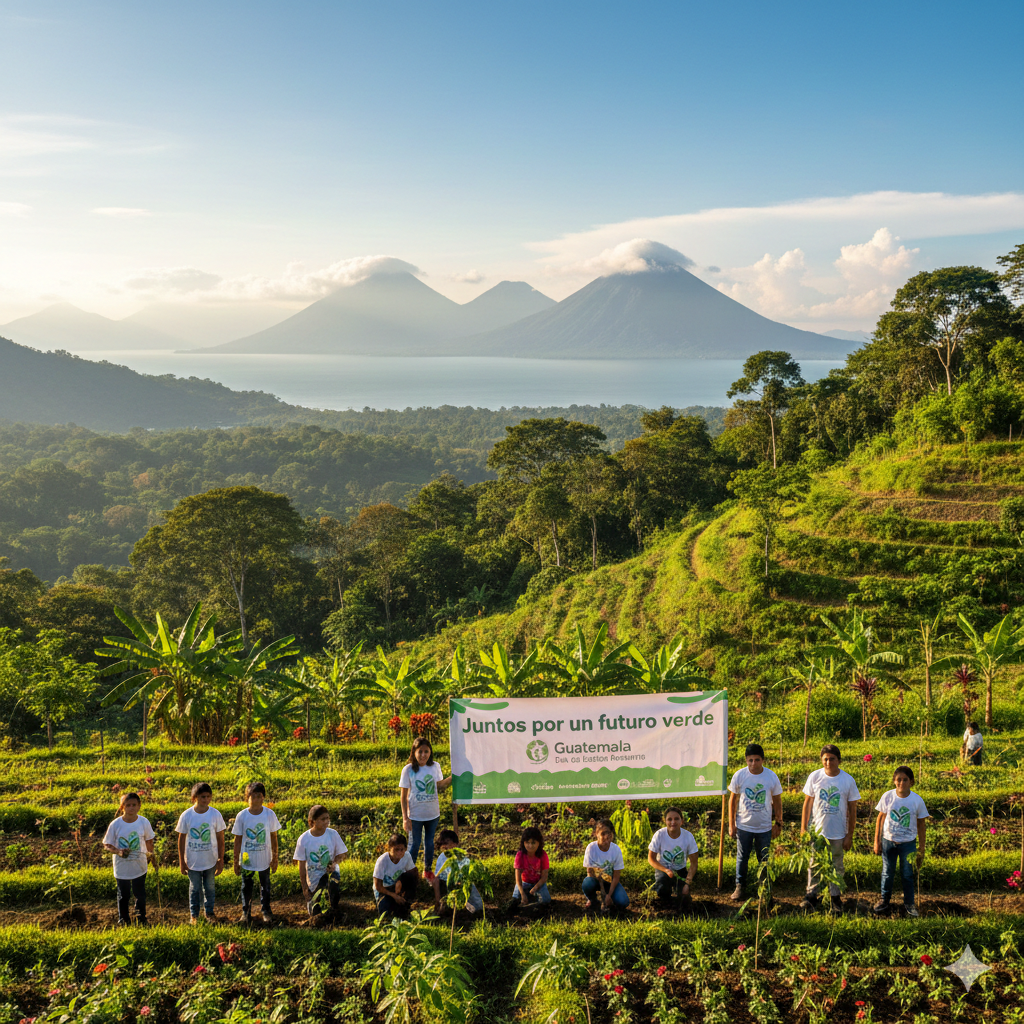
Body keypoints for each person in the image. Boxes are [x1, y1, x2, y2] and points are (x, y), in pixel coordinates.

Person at [800, 744, 860, 915]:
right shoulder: (815, 777)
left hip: (838, 832)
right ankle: (812, 896)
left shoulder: (847, 780)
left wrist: (849, 835)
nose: (828, 762)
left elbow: (852, 809)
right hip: (818, 831)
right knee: (814, 864)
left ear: (839, 760)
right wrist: (804, 828)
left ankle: (835, 898)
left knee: (837, 866)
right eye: (825, 759)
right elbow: (807, 803)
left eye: (832, 759)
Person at [728, 743, 783, 901]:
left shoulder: (771, 776)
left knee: (763, 858)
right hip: (744, 825)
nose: (753, 764)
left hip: (764, 827)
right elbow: (732, 800)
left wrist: (778, 823)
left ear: (763, 760)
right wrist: (731, 824)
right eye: (750, 760)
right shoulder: (739, 775)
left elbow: (778, 801)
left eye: (757, 760)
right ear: (746, 759)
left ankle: (764, 888)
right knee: (742, 857)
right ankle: (740, 886)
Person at [872, 766, 928, 918]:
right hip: (888, 841)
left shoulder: (916, 800)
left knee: (907, 874)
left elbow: (921, 824)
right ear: (894, 781)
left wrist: (921, 847)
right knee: (887, 873)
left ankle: (909, 903)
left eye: (905, 780)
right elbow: (880, 819)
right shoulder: (888, 797)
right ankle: (884, 900)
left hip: (908, 843)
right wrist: (876, 841)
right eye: (898, 780)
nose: (901, 783)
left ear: (911, 782)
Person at [175, 782, 226, 924]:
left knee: (210, 887)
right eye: (203, 797)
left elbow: (221, 838)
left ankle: (209, 912)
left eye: (208, 796)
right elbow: (181, 839)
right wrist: (182, 861)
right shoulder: (186, 816)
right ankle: (194, 915)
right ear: (194, 797)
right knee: (195, 888)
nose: (206, 800)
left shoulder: (215, 814)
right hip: (192, 861)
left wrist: (221, 859)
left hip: (210, 860)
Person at [399, 737, 453, 874]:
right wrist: (405, 818)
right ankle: (409, 873)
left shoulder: (435, 766)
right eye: (420, 752)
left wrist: (454, 777)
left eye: (426, 751)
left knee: (429, 844)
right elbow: (403, 796)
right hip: (415, 816)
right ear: (414, 752)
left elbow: (440, 786)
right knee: (414, 845)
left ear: (430, 752)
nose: (423, 755)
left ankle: (427, 871)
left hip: (432, 814)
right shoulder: (408, 770)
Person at [231, 781, 281, 926]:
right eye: (253, 796)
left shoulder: (269, 814)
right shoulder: (242, 816)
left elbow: (273, 837)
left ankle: (266, 911)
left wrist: (275, 857)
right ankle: (245, 912)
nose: (256, 800)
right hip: (247, 858)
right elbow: (238, 839)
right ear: (247, 798)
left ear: (263, 797)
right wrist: (236, 861)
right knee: (246, 884)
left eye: (259, 796)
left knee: (265, 885)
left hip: (264, 857)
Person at [102, 792, 155, 926]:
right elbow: (107, 845)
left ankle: (141, 917)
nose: (131, 808)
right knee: (123, 895)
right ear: (122, 807)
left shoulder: (143, 822)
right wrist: (118, 851)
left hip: (139, 865)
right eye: (128, 805)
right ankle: (124, 919)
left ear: (139, 806)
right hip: (122, 867)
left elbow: (149, 841)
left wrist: (152, 857)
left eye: (134, 805)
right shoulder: (116, 824)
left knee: (140, 894)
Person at [294, 804, 348, 923]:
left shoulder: (333, 834)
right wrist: (304, 888)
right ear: (312, 822)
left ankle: (334, 907)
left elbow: (342, 854)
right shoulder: (304, 839)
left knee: (333, 883)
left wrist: (334, 863)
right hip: (314, 877)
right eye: (323, 819)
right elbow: (301, 866)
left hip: (329, 872)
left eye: (328, 818)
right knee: (315, 912)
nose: (326, 822)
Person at [647, 807, 698, 904]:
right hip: (663, 869)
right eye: (669, 819)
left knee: (684, 897)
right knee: (663, 889)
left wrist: (687, 883)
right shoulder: (659, 835)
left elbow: (694, 863)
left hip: (680, 869)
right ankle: (665, 899)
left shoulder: (688, 836)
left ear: (682, 821)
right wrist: (665, 870)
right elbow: (651, 858)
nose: (673, 822)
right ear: (665, 821)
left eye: (676, 819)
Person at [432, 829, 483, 916]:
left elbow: (466, 877)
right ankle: (440, 904)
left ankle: (468, 908)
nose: (445, 846)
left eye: (448, 842)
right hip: (445, 884)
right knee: (435, 880)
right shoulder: (442, 857)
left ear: (455, 843)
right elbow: (437, 876)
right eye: (443, 843)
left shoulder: (463, 858)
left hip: (460, 885)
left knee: (475, 904)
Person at [582, 818, 629, 913]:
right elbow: (589, 872)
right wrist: (601, 889)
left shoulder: (616, 850)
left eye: (609, 833)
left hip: (610, 882)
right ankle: (593, 900)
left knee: (623, 902)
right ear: (596, 834)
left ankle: (610, 901)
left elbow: (616, 877)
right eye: (603, 834)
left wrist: (609, 895)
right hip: (595, 880)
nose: (606, 836)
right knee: (587, 883)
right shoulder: (591, 848)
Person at [373, 833, 418, 919]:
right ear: (389, 848)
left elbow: (414, 872)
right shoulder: (382, 861)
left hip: (398, 888)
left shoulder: (407, 856)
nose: (399, 853)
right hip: (384, 890)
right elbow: (378, 886)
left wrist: (401, 881)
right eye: (396, 850)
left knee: (410, 877)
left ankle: (406, 901)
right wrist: (394, 896)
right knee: (386, 913)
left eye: (402, 849)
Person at [510, 826, 551, 915]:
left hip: (538, 883)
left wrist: (534, 889)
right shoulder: (520, 855)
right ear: (523, 843)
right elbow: (518, 879)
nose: (530, 846)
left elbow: (544, 877)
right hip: (524, 882)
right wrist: (522, 893)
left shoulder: (543, 855)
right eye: (527, 842)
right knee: (515, 900)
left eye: (533, 843)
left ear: (539, 843)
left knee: (546, 901)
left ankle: (532, 898)